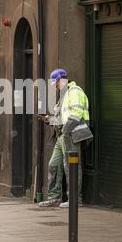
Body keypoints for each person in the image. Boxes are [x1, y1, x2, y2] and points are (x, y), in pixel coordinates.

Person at [38, 69, 90, 208]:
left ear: (63, 80)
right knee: (53, 165)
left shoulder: (75, 92)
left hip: (72, 135)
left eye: (56, 83)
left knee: (71, 167)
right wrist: (49, 120)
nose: (55, 87)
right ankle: (54, 197)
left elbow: (76, 114)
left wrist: (66, 131)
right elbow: (63, 118)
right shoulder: (64, 95)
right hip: (62, 136)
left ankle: (75, 199)